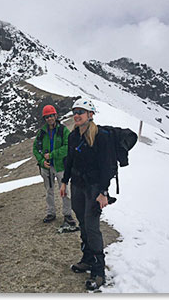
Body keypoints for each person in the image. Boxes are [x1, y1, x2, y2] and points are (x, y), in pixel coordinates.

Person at [60, 98, 111, 290]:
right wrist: (65, 181)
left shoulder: (101, 136)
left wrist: (103, 192)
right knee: (82, 221)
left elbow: (107, 166)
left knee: (92, 226)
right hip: (78, 185)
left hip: (94, 188)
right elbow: (70, 160)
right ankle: (88, 259)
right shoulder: (73, 136)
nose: (76, 115)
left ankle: (99, 272)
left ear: (90, 114)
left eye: (81, 112)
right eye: (75, 112)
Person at [33, 105, 76, 226]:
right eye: (47, 117)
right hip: (46, 167)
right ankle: (51, 213)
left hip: (61, 166)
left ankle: (67, 214)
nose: (49, 118)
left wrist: (52, 155)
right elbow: (35, 148)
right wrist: (42, 162)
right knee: (49, 191)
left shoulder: (63, 130)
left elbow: (68, 147)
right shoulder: (42, 132)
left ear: (56, 116)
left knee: (65, 191)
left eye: (51, 116)